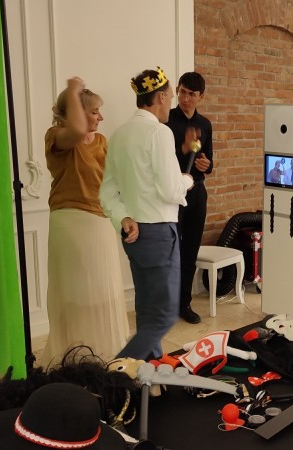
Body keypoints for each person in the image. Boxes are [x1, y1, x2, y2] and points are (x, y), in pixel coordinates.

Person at [99, 67, 193, 361]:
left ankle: (146, 373)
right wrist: (187, 181)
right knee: (163, 316)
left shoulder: (118, 135)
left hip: (134, 235)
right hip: (160, 234)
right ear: (161, 97)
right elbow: (170, 190)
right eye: (171, 97)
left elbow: (106, 192)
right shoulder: (159, 132)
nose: (171, 103)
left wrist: (123, 218)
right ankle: (115, 372)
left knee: (146, 310)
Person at [40, 77, 129, 366]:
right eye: (93, 111)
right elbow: (77, 130)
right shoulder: (56, 136)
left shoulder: (101, 142)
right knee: (76, 294)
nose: (100, 117)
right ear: (75, 112)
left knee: (103, 291)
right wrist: (74, 89)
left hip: (101, 222)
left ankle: (104, 355)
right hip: (71, 223)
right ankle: (75, 359)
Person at [166, 72, 213, 324]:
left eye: (191, 94)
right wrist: (183, 148)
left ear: (201, 97)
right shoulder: (165, 120)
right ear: (177, 89)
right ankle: (167, 303)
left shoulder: (205, 124)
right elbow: (160, 160)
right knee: (171, 249)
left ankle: (184, 303)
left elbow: (209, 160)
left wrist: (207, 164)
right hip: (173, 193)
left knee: (190, 249)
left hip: (197, 192)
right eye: (182, 92)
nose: (185, 98)